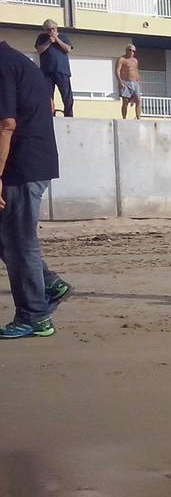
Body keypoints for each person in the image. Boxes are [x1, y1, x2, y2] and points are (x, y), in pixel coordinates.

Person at [0, 39, 72, 339]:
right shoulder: (17, 61)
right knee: (7, 239)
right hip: (31, 163)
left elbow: (6, 124)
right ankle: (50, 284)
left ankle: (34, 317)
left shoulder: (3, 64)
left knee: (19, 243)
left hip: (23, 166)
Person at [34, 20, 73, 117]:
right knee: (47, 97)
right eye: (49, 30)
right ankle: (49, 115)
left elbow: (68, 49)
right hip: (47, 72)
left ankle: (69, 116)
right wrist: (49, 41)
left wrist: (57, 39)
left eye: (53, 29)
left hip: (62, 71)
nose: (51, 31)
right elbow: (39, 50)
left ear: (56, 28)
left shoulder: (63, 37)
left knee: (67, 97)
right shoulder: (42, 38)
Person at [115, 44, 141, 120]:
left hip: (135, 83)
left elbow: (136, 70)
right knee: (125, 102)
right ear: (126, 50)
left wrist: (138, 81)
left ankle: (138, 117)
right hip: (125, 82)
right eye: (130, 50)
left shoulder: (135, 60)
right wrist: (120, 82)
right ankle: (124, 118)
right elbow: (117, 71)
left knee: (138, 100)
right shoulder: (121, 59)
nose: (131, 52)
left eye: (133, 51)